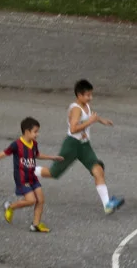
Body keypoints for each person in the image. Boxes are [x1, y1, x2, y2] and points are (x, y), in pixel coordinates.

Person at [37, 79, 123, 214]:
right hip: (72, 145)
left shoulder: (86, 105)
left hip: (84, 146)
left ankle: (107, 204)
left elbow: (91, 116)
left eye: (91, 94)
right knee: (53, 173)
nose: (91, 98)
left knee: (98, 170)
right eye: (88, 95)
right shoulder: (76, 109)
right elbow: (73, 129)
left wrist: (101, 120)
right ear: (79, 95)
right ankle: (27, 170)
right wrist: (90, 122)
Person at [0, 117, 62, 233]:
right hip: (22, 178)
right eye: (35, 131)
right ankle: (10, 207)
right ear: (27, 131)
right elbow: (3, 154)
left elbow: (37, 155)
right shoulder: (16, 144)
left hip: (32, 176)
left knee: (41, 200)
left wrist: (52, 157)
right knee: (31, 200)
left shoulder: (34, 144)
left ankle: (36, 225)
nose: (37, 134)